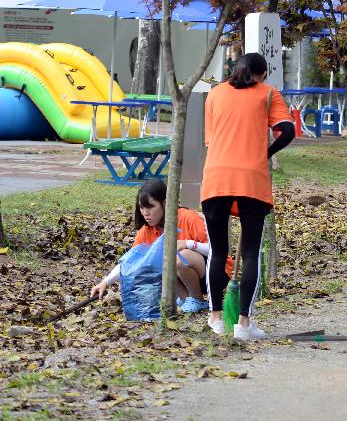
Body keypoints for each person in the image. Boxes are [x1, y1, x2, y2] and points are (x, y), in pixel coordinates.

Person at [202, 52, 295, 341]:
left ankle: (216, 317)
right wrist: (265, 153)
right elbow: (288, 131)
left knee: (218, 251)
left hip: (216, 177)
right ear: (261, 74)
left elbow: (210, 140)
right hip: (252, 179)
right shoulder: (269, 94)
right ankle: (243, 324)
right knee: (252, 252)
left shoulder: (215, 94)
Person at [90, 180, 230, 313]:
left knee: (178, 257)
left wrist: (189, 244)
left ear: (165, 203)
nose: (145, 213)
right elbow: (131, 261)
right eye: (142, 207)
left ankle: (196, 299)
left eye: (150, 206)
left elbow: (217, 250)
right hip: (185, 277)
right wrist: (105, 282)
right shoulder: (146, 231)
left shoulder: (188, 218)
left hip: (215, 273)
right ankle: (186, 299)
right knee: (153, 262)